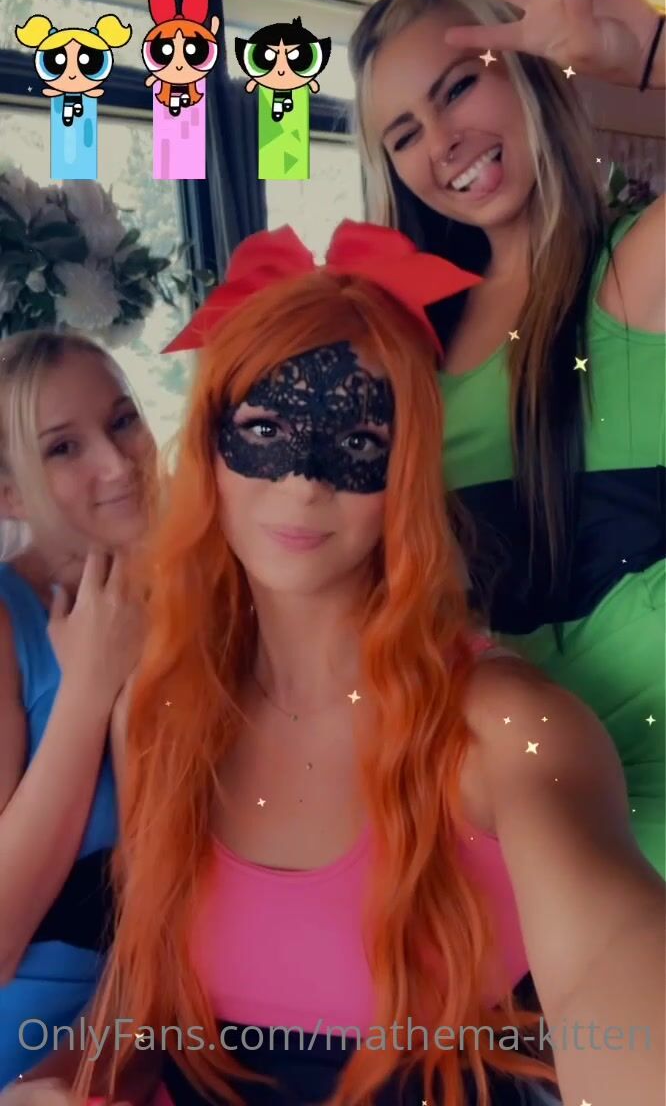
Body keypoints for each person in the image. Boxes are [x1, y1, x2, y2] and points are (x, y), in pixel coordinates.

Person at [4, 223, 663, 1106]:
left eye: (356, 443)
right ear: (209, 450)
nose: (303, 482)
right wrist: (61, 1081)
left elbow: (610, 967)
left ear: (408, 470)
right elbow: (144, 998)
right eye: (266, 428)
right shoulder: (160, 711)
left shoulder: (507, 726)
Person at [348, 0, 666, 876]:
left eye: (457, 88)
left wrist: (648, 53)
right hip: (505, 834)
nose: (442, 143)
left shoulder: (635, 274)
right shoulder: (404, 350)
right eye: (403, 134)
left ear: (526, 70)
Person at [0, 331, 154, 1086]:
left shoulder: (213, 588)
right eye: (64, 448)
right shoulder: (6, 621)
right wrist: (89, 691)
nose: (118, 463)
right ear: (9, 493)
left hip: (186, 1017)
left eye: (122, 420)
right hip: (33, 1055)